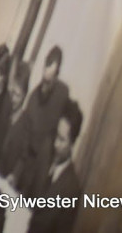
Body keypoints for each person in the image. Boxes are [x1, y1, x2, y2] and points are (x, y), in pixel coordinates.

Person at [15, 46, 70, 197]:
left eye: (52, 66)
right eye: (47, 64)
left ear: (57, 71)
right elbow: (24, 140)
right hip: (26, 167)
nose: (47, 69)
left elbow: (64, 130)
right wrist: (16, 173)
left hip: (44, 168)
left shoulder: (62, 94)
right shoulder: (33, 98)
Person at [28, 99, 83, 233]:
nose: (55, 144)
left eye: (62, 140)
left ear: (72, 143)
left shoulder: (72, 190)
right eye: (56, 136)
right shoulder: (45, 158)